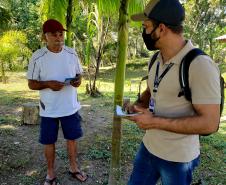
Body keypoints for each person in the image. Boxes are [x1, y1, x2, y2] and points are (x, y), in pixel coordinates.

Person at [125, 0, 221, 185]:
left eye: (146, 26)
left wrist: (154, 122)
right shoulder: (156, 58)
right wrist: (138, 105)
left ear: (161, 28)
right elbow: (152, 90)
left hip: (178, 158)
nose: (143, 32)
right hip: (149, 147)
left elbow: (210, 123)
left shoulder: (200, 65)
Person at [27, 19, 88, 185]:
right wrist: (48, 84)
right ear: (44, 36)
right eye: (54, 34)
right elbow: (31, 84)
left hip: (70, 107)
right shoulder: (38, 56)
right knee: (48, 141)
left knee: (72, 138)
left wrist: (77, 81)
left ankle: (74, 168)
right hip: (49, 109)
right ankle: (50, 173)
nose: (58, 37)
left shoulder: (71, 53)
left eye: (61, 33)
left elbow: (78, 75)